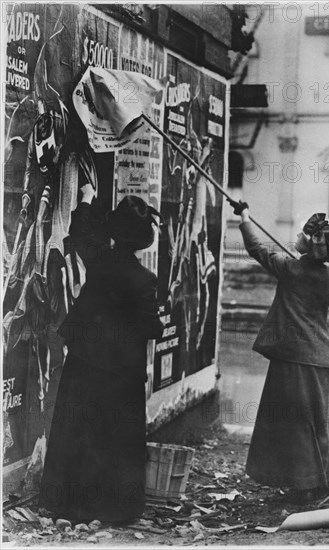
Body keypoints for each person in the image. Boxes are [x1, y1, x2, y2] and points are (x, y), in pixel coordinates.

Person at [38, 185, 164, 524]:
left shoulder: (99, 261)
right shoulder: (144, 279)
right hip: (121, 374)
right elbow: (153, 328)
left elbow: (81, 229)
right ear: (143, 240)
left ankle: (65, 503)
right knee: (115, 439)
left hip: (84, 361)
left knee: (78, 430)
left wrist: (87, 196)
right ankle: (113, 509)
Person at [229, 200, 329, 503]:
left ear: (306, 242)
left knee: (296, 422)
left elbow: (256, 249)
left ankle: (303, 485)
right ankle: (324, 482)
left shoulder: (289, 268)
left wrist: (245, 216)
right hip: (322, 359)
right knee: (319, 422)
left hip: (292, 359)